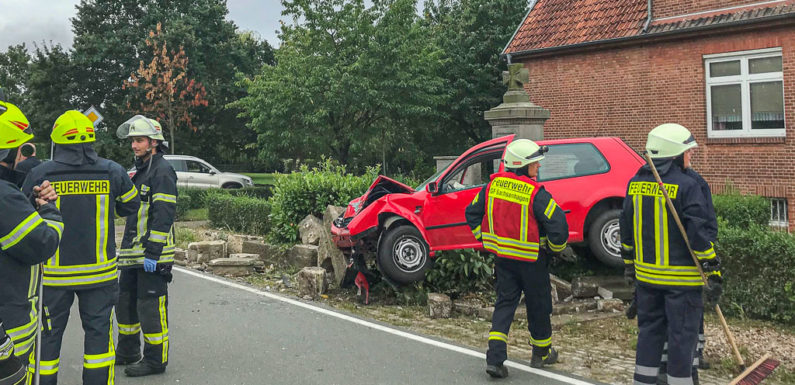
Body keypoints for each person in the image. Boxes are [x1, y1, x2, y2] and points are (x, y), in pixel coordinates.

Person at [22, 110, 141, 385]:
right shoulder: (112, 170)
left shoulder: (41, 174)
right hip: (100, 276)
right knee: (99, 342)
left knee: (46, 344)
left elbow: (23, 213)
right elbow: (131, 205)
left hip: (53, 277)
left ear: (57, 142)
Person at [619, 123, 722, 385]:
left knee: (650, 334)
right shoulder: (688, 186)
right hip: (682, 282)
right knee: (681, 337)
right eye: (688, 152)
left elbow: (626, 229)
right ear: (674, 155)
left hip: (647, 281)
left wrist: (630, 266)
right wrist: (713, 268)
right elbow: (699, 235)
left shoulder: (635, 184)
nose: (691, 157)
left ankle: (643, 381)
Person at [465, 139, 569, 378]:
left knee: (504, 304)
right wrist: (554, 248)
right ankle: (541, 353)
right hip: (532, 261)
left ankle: (495, 359)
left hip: (503, 259)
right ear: (523, 166)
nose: (538, 168)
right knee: (539, 305)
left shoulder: (492, 187)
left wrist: (484, 238)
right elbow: (558, 225)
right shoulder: (535, 193)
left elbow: (471, 212)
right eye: (535, 164)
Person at [0, 99, 63, 383]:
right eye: (18, 151)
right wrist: (49, 210)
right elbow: (41, 243)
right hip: (9, 332)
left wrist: (25, 205)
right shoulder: (3, 197)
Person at [115, 116, 177, 377]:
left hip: (153, 254)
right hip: (132, 254)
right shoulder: (139, 170)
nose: (134, 145)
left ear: (154, 142)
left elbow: (163, 214)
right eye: (132, 141)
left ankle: (155, 360)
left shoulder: (161, 171)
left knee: (150, 309)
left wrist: (153, 252)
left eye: (139, 140)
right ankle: (128, 351)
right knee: (126, 304)